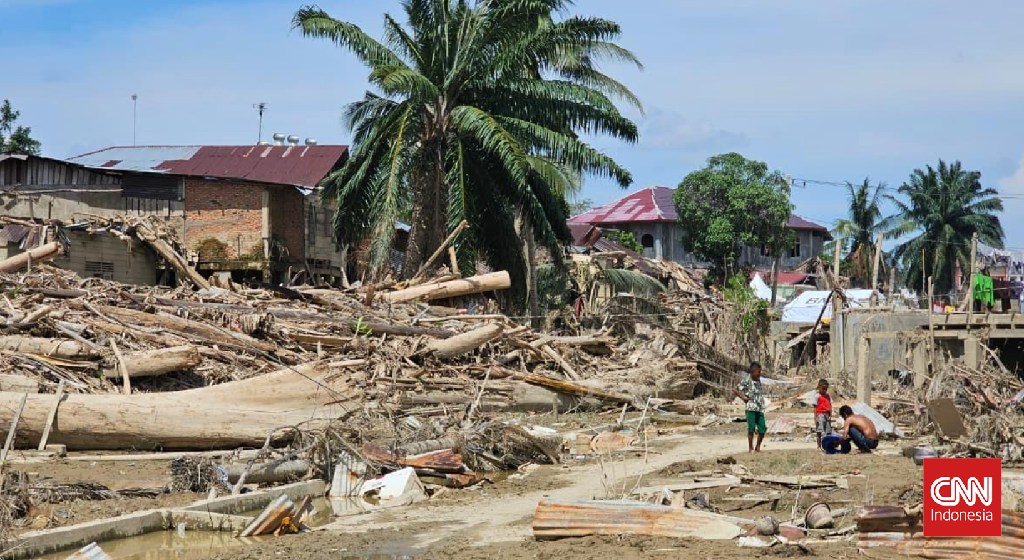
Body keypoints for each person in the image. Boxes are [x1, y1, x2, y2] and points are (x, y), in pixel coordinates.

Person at [734, 362, 767, 452]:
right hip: (750, 408)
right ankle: (750, 448)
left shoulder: (758, 380)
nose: (759, 374)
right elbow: (735, 389)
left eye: (760, 372)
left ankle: (758, 447)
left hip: (759, 408)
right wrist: (743, 398)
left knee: (762, 428)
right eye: (758, 372)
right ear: (752, 372)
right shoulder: (747, 380)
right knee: (751, 428)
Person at [814, 379, 832, 451]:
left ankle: (828, 445)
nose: (824, 390)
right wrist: (815, 417)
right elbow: (815, 407)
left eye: (826, 389)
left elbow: (830, 406)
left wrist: (830, 415)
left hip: (827, 414)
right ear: (819, 387)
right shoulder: (817, 396)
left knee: (828, 431)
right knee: (819, 431)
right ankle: (819, 446)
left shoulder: (828, 396)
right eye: (823, 389)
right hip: (820, 414)